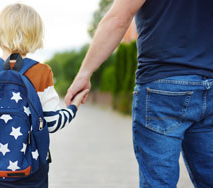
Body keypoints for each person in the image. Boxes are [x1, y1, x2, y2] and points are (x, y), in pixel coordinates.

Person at [65, 0, 213, 187]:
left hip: (162, 87)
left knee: (158, 182)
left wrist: (84, 74)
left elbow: (118, 18)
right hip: (209, 80)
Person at [0, 3, 88, 188]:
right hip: (32, 170)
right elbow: (51, 123)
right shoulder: (42, 73)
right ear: (35, 35)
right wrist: (73, 107)